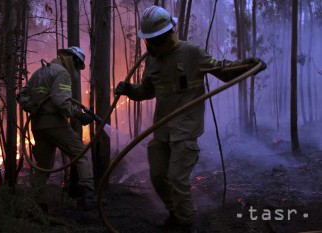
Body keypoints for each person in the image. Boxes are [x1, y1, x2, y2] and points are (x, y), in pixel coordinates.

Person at [115, 5, 266, 232]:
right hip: (162, 128)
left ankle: (185, 223)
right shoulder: (152, 61)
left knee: (177, 178)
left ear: (167, 36)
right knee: (157, 176)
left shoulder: (192, 53)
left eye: (154, 40)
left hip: (185, 129)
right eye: (148, 41)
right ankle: (175, 214)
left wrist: (248, 65)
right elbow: (147, 92)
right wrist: (128, 89)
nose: (150, 45)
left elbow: (222, 71)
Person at [17, 46, 96, 209]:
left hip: (38, 126)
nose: (76, 70)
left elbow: (21, 95)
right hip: (55, 123)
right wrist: (79, 115)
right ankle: (88, 195)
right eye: (78, 66)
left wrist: (33, 107)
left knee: (44, 165)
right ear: (73, 60)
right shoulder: (62, 73)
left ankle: (35, 203)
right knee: (81, 153)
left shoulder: (40, 72)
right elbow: (61, 101)